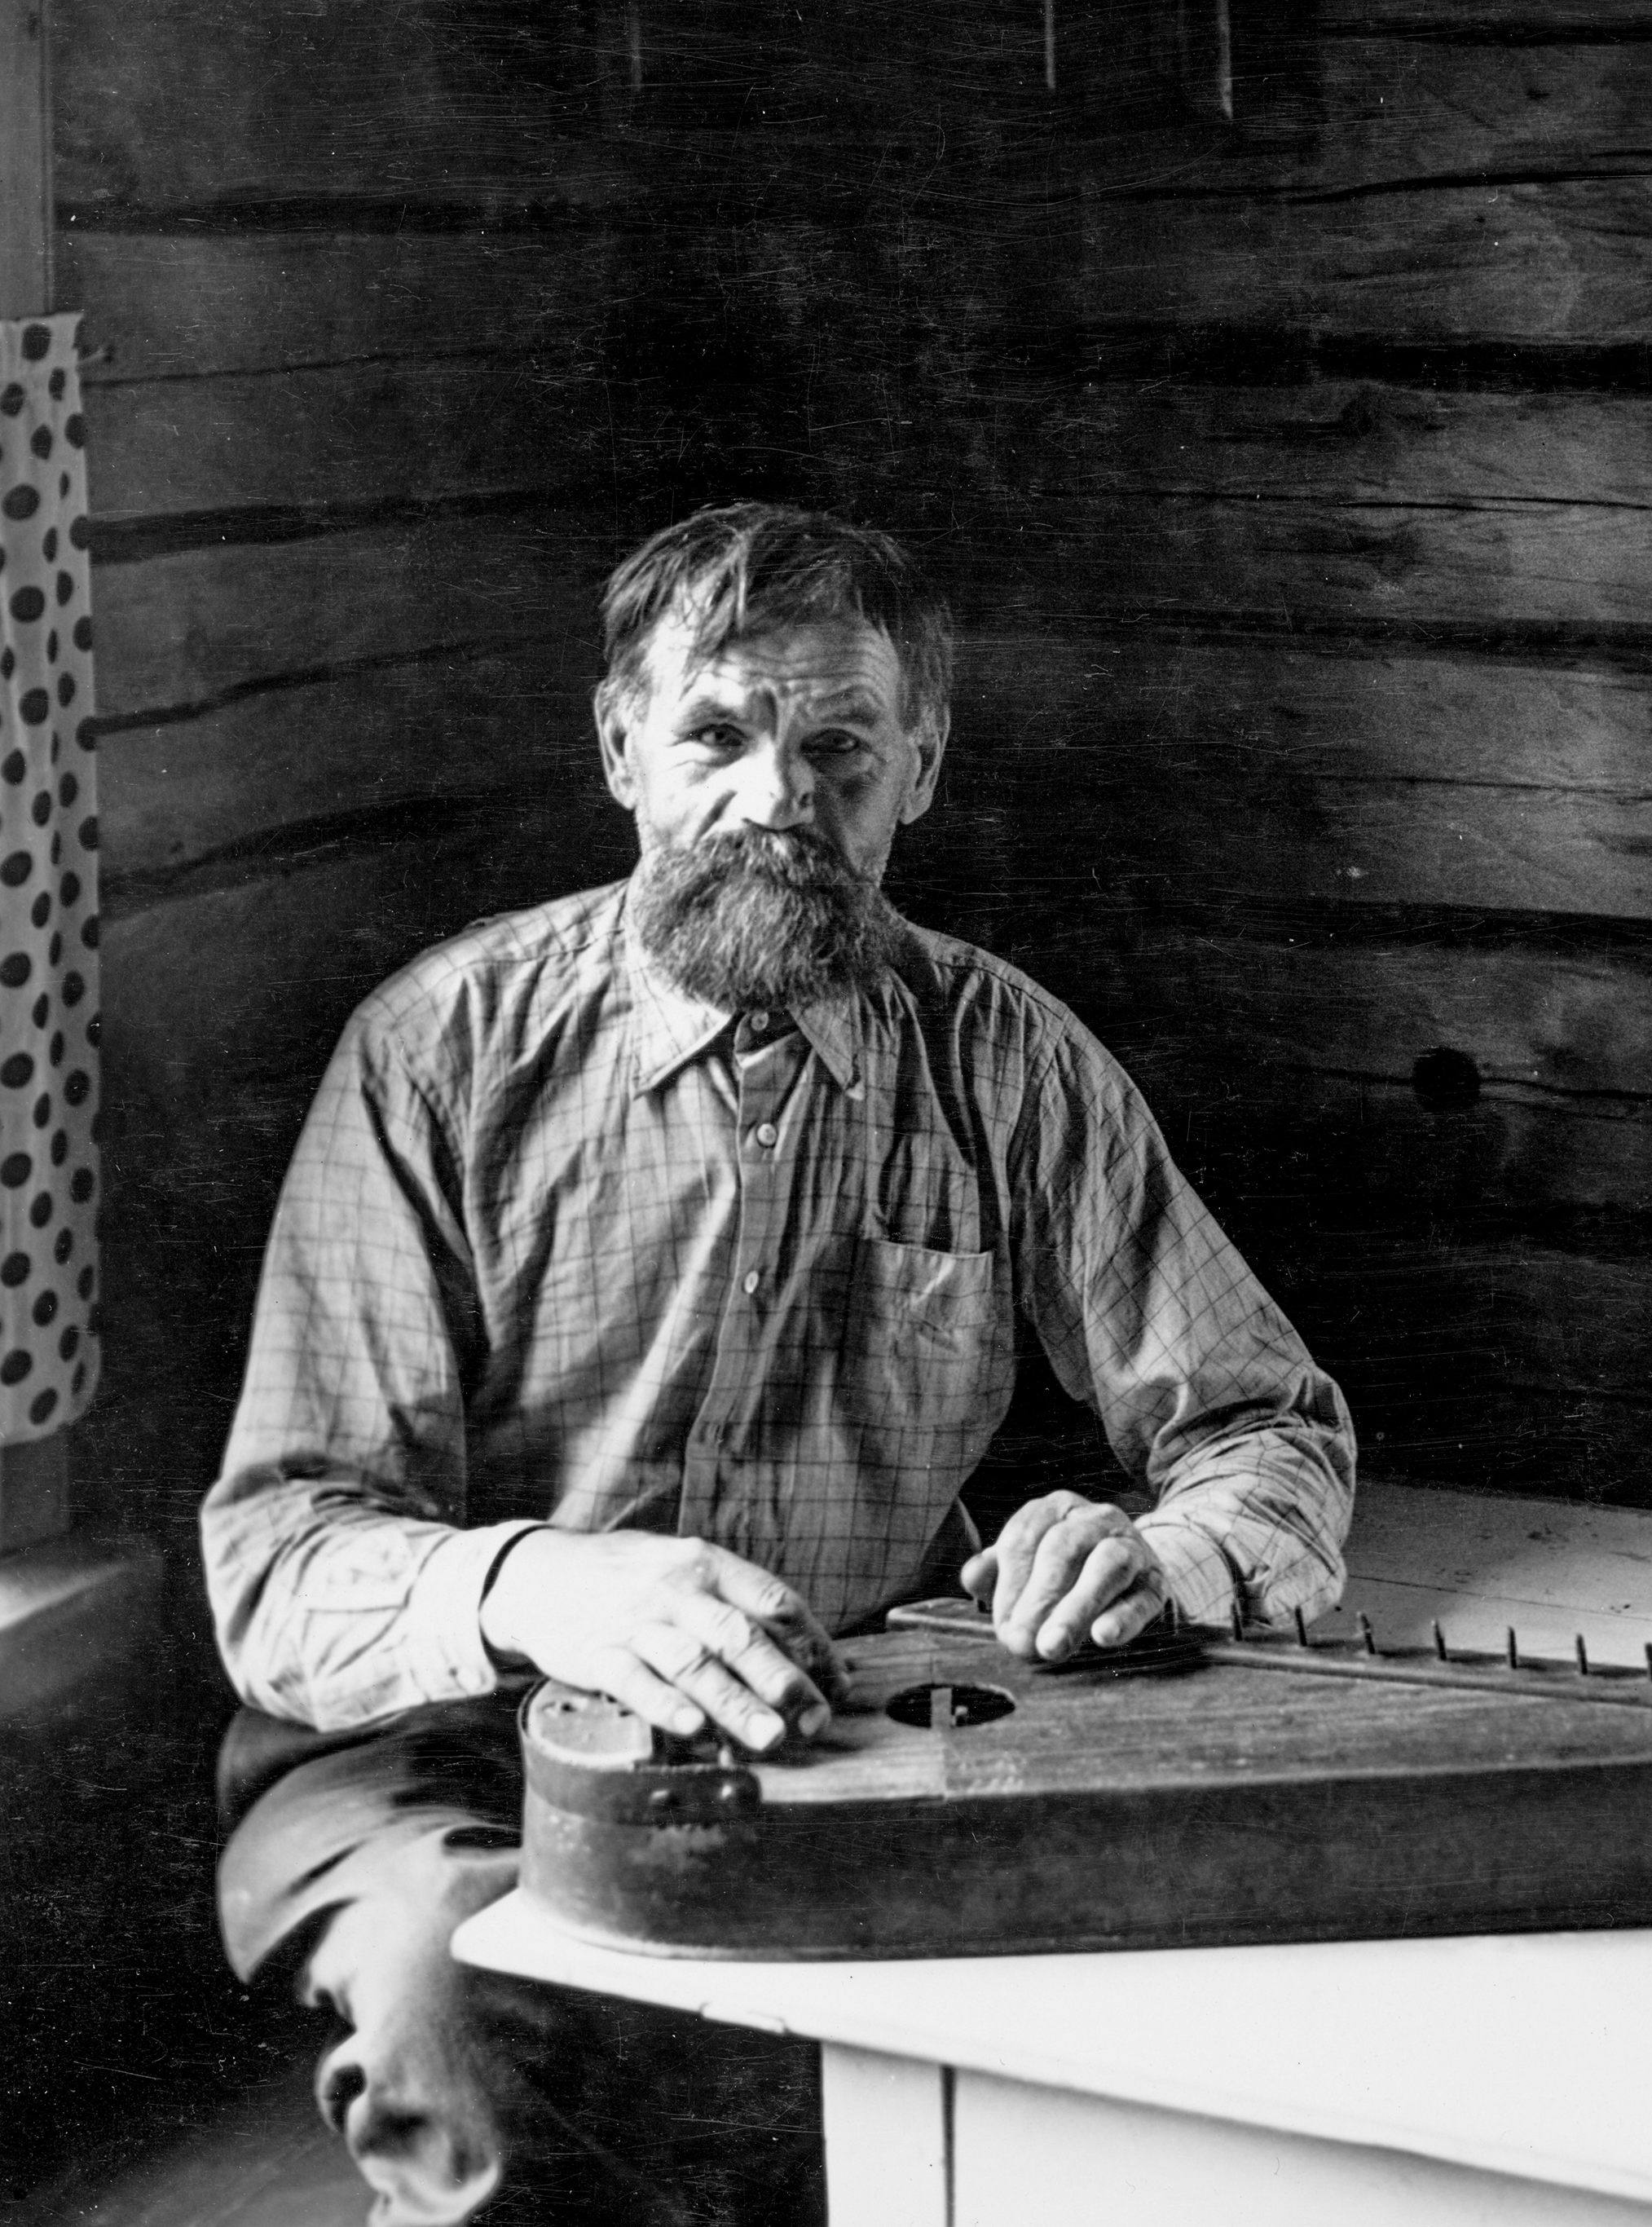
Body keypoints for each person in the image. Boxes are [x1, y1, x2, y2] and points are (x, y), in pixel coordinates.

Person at [202, 503, 1355, 2225]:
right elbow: (279, 1560)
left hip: (846, 1745)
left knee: (1067, 2091)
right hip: (443, 1757)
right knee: (474, 2016)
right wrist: (549, 1586)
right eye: (717, 737)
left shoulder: (1006, 1061)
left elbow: (1266, 1424)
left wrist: (1162, 1553)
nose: (777, 803)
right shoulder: (436, 1051)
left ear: (922, 765)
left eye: (839, 751)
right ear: (619, 747)